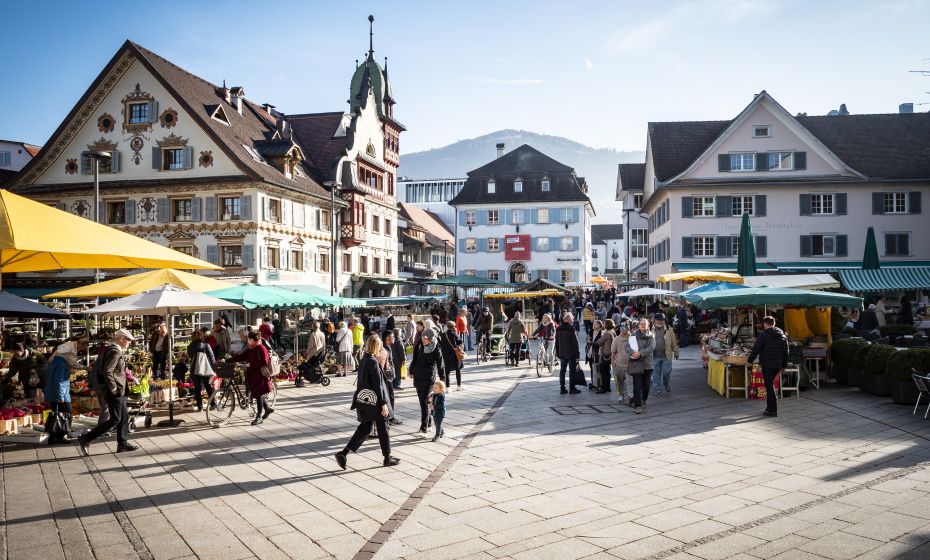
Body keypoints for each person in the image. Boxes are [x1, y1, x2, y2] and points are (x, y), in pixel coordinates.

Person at [335, 334, 401, 470]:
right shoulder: (373, 362)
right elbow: (378, 385)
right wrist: (383, 403)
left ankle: (343, 453)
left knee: (365, 428)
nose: (382, 347)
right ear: (376, 346)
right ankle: (387, 457)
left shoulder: (365, 359)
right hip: (375, 402)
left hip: (366, 400)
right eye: (380, 345)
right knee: (383, 429)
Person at [78, 329, 139, 455]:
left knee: (124, 417)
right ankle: (86, 438)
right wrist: (114, 388)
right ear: (121, 339)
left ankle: (122, 444)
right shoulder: (115, 351)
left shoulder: (112, 349)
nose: (129, 342)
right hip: (114, 391)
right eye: (128, 340)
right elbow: (108, 371)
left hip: (117, 390)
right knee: (116, 419)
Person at [44, 340, 86, 444]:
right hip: (60, 393)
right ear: (67, 353)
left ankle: (54, 435)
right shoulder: (62, 364)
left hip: (54, 392)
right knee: (67, 413)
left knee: (56, 414)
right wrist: (60, 397)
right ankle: (61, 435)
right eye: (72, 354)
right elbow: (59, 381)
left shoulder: (54, 361)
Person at [227, 332, 274, 425]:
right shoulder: (251, 349)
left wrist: (251, 364)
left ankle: (259, 417)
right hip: (252, 375)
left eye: (248, 339)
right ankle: (267, 408)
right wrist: (227, 361)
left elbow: (264, 361)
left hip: (259, 375)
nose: (247, 341)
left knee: (259, 394)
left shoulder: (261, 348)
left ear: (252, 340)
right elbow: (241, 357)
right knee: (256, 394)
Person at [748, 316, 789, 418]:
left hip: (767, 364)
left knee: (769, 386)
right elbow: (786, 352)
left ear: (765, 324)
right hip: (778, 364)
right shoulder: (782, 335)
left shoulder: (763, 335)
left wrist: (750, 361)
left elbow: (756, 349)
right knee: (770, 386)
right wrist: (784, 365)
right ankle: (768, 407)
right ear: (774, 323)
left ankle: (773, 410)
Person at [410, 327, 445, 433]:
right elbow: (414, 358)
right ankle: (429, 423)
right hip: (418, 376)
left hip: (428, 378)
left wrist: (443, 380)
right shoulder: (420, 345)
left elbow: (441, 365)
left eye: (425, 338)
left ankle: (424, 427)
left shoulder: (436, 348)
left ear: (430, 339)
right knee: (422, 401)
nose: (423, 340)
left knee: (424, 402)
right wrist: (411, 370)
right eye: (422, 337)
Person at [625, 318, 656, 414]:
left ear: (648, 326)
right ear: (638, 325)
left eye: (644, 324)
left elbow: (652, 347)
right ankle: (638, 405)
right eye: (641, 323)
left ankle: (644, 399)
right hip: (636, 364)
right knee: (637, 386)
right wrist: (633, 353)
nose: (643, 325)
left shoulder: (651, 336)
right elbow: (626, 347)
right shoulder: (633, 335)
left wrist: (640, 353)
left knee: (646, 385)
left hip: (647, 364)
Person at [187, 329, 216, 412]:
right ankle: (212, 403)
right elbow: (212, 358)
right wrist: (214, 369)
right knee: (207, 386)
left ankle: (200, 406)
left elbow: (190, 356)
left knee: (197, 388)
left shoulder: (190, 347)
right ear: (201, 336)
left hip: (194, 369)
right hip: (205, 369)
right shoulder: (205, 345)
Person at [651, 313, 679, 398]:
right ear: (655, 320)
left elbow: (674, 341)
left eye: (662, 320)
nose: (660, 321)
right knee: (656, 374)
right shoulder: (650, 329)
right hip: (654, 356)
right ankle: (658, 390)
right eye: (659, 320)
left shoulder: (669, 329)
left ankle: (666, 383)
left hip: (666, 356)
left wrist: (676, 351)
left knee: (666, 372)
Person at [376, 336, 401, 426]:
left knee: (389, 397)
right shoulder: (384, 350)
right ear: (388, 338)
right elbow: (387, 366)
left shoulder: (385, 349)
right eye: (392, 337)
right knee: (388, 397)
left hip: (386, 377)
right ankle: (389, 417)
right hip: (386, 378)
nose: (394, 338)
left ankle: (389, 417)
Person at [555, 312, 582, 394]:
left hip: (562, 353)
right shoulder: (571, 329)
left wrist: (557, 352)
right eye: (572, 318)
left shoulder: (558, 328)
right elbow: (575, 343)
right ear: (568, 319)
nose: (573, 320)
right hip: (571, 354)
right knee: (572, 371)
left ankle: (562, 388)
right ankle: (572, 388)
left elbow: (557, 342)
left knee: (562, 371)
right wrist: (577, 355)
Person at [611, 323, 631, 404]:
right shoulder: (616, 339)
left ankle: (630, 395)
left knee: (630, 380)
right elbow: (613, 353)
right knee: (619, 381)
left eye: (625, 328)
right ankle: (621, 394)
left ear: (628, 329)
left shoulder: (632, 338)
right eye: (621, 328)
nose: (623, 329)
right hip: (618, 364)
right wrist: (613, 365)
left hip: (630, 364)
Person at [439, 320, 463, 389]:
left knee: (447, 371)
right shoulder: (454, 334)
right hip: (455, 355)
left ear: (447, 326)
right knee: (458, 370)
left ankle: (448, 387)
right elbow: (460, 342)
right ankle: (459, 385)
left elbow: (441, 344)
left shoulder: (443, 335)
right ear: (453, 327)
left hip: (446, 355)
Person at [596, 319, 615, 394]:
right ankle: (608, 387)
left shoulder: (607, 333)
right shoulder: (612, 331)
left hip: (605, 354)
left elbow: (599, 342)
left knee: (603, 371)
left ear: (607, 324)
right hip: (610, 354)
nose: (603, 325)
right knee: (607, 371)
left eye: (604, 323)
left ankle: (604, 387)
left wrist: (592, 342)